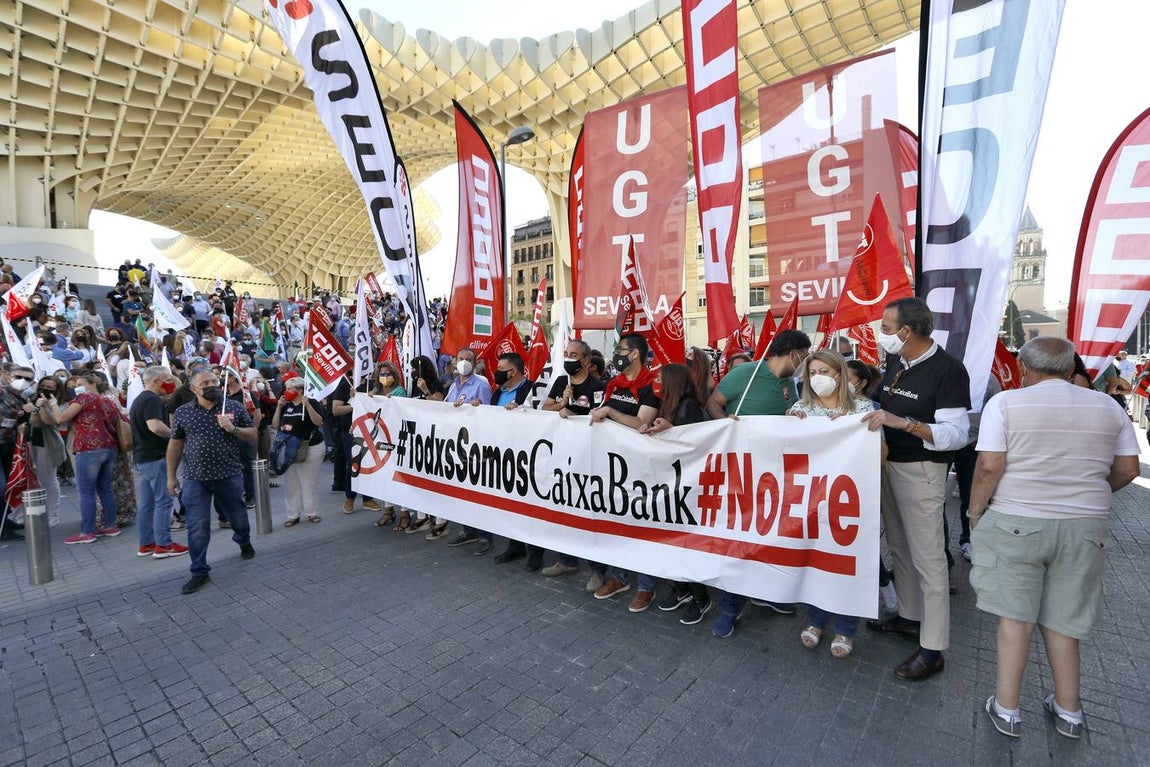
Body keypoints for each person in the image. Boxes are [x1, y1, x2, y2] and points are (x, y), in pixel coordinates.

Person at [970, 337, 1140, 739]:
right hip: (1086, 525)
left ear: (1025, 369)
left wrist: (975, 511)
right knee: (1065, 621)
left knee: (1015, 618)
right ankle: (1069, 711)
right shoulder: (1106, 407)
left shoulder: (1006, 404)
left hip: (1016, 518)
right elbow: (1129, 468)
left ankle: (1008, 708)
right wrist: (1093, 493)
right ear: (1070, 368)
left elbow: (989, 465)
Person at [861, 297, 970, 681]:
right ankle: (909, 617)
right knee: (898, 547)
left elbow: (957, 435)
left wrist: (904, 423)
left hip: (922, 471)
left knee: (929, 559)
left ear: (907, 331)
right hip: (889, 466)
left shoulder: (948, 371)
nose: (882, 335)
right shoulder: (897, 362)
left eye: (887, 329)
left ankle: (933, 647)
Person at [703, 329, 812, 638]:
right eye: (803, 356)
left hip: (774, 476)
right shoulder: (745, 373)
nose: (804, 362)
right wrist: (725, 426)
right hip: (741, 475)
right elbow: (713, 403)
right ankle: (729, 609)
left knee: (771, 538)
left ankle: (767, 593)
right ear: (791, 353)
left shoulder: (790, 384)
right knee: (741, 541)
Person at [787, 351, 874, 658]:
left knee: (846, 562)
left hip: (850, 498)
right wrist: (788, 426)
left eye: (824, 370)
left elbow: (881, 452)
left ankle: (846, 628)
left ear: (839, 373)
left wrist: (853, 429)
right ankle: (816, 620)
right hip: (811, 499)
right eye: (812, 372)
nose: (817, 377)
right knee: (816, 559)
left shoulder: (863, 407)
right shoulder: (801, 408)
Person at [167, 370, 258, 594]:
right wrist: (170, 476)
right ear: (193, 389)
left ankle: (243, 540)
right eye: (205, 383)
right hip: (195, 478)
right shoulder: (183, 412)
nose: (211, 385)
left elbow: (252, 433)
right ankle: (199, 570)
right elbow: (175, 444)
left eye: (214, 381)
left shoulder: (233, 407)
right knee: (197, 526)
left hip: (228, 475)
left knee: (238, 517)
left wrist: (233, 429)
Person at [589, 333, 661, 610]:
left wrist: (610, 412)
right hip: (613, 467)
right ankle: (619, 576)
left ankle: (646, 585)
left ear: (635, 354)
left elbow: (643, 421)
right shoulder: (614, 385)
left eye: (621, 349)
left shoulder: (651, 385)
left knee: (643, 526)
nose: (616, 353)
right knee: (616, 523)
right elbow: (599, 414)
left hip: (642, 469)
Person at [640, 363, 713, 625]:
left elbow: (693, 447)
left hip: (686, 491)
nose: (655, 382)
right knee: (668, 541)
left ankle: (700, 597)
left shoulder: (688, 407)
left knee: (685, 545)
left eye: (659, 378)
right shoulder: (670, 406)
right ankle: (681, 588)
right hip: (671, 486)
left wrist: (669, 430)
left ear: (672, 383)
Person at [539, 340, 606, 577]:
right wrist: (562, 404)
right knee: (563, 508)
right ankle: (567, 560)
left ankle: (598, 570)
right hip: (562, 456)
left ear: (586, 360)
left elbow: (600, 420)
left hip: (588, 458)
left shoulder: (598, 385)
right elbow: (546, 408)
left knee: (589, 512)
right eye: (566, 354)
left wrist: (576, 415)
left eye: (573, 355)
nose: (568, 358)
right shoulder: (560, 382)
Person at [51, 373, 125, 544]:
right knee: (105, 488)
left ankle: (87, 531)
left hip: (89, 448)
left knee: (86, 491)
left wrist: (54, 404)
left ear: (91, 384)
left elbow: (61, 418)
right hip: (109, 447)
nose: (75, 386)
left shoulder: (84, 397)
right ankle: (111, 525)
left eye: (79, 383)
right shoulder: (107, 400)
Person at [489, 353, 542, 570]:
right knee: (510, 504)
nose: (497, 372)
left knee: (530, 506)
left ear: (515, 371)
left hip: (525, 456)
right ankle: (515, 544)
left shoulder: (531, 390)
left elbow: (539, 418)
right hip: (502, 455)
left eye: (501, 368)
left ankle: (535, 552)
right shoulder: (496, 394)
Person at [130, 366, 186, 558]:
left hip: (143, 457)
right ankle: (164, 545)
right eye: (167, 379)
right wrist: (177, 436)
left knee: (147, 504)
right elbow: (155, 427)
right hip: (155, 457)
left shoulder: (139, 399)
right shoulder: (152, 400)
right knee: (164, 501)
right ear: (155, 381)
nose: (171, 383)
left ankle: (147, 543)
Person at [443, 347, 495, 550]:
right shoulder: (453, 385)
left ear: (475, 363)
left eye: (468, 359)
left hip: (476, 445)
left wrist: (479, 407)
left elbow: (490, 413)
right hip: (457, 444)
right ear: (455, 361)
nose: (463, 362)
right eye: (460, 358)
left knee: (478, 489)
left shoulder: (481, 384)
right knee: (463, 489)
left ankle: (485, 534)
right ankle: (468, 529)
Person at [273, 375, 327, 527]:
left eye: (290, 388)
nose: (287, 391)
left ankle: (311, 512)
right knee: (290, 483)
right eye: (286, 388)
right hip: (288, 447)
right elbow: (275, 424)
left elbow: (319, 422)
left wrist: (308, 406)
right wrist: (278, 407)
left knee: (307, 482)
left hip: (310, 447)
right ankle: (292, 514)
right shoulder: (286, 404)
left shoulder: (312, 402)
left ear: (300, 390)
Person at [26, 375, 68, 528]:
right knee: (32, 481)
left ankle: (52, 515)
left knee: (48, 480)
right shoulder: (29, 398)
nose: (46, 390)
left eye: (51, 388)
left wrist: (41, 408)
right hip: (29, 443)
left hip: (47, 444)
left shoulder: (59, 404)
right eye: (44, 386)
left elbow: (48, 421)